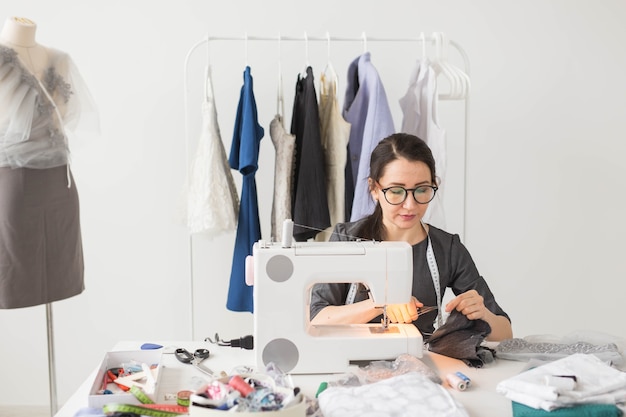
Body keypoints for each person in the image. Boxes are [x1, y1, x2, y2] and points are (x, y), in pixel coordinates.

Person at [310, 133, 512, 341]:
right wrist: (381, 304)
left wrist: (482, 314)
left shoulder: (447, 248)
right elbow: (316, 318)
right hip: (349, 362)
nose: (410, 205)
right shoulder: (346, 239)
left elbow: (505, 333)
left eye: (422, 190)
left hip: (418, 366)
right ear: (374, 188)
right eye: (397, 191)